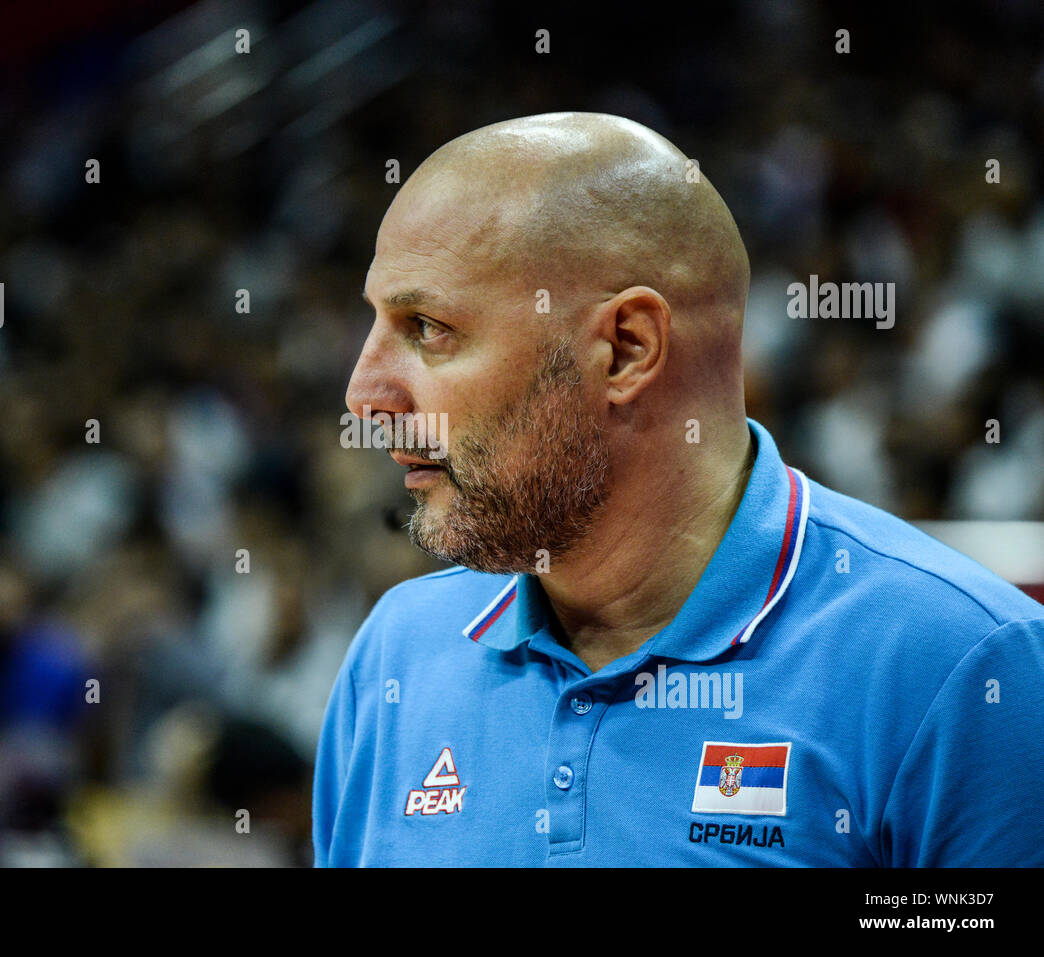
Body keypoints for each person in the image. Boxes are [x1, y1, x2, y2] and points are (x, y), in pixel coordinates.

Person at [312, 112, 1044, 866]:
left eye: (426, 326)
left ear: (627, 348)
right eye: (375, 322)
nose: (364, 394)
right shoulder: (396, 654)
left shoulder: (965, 666)